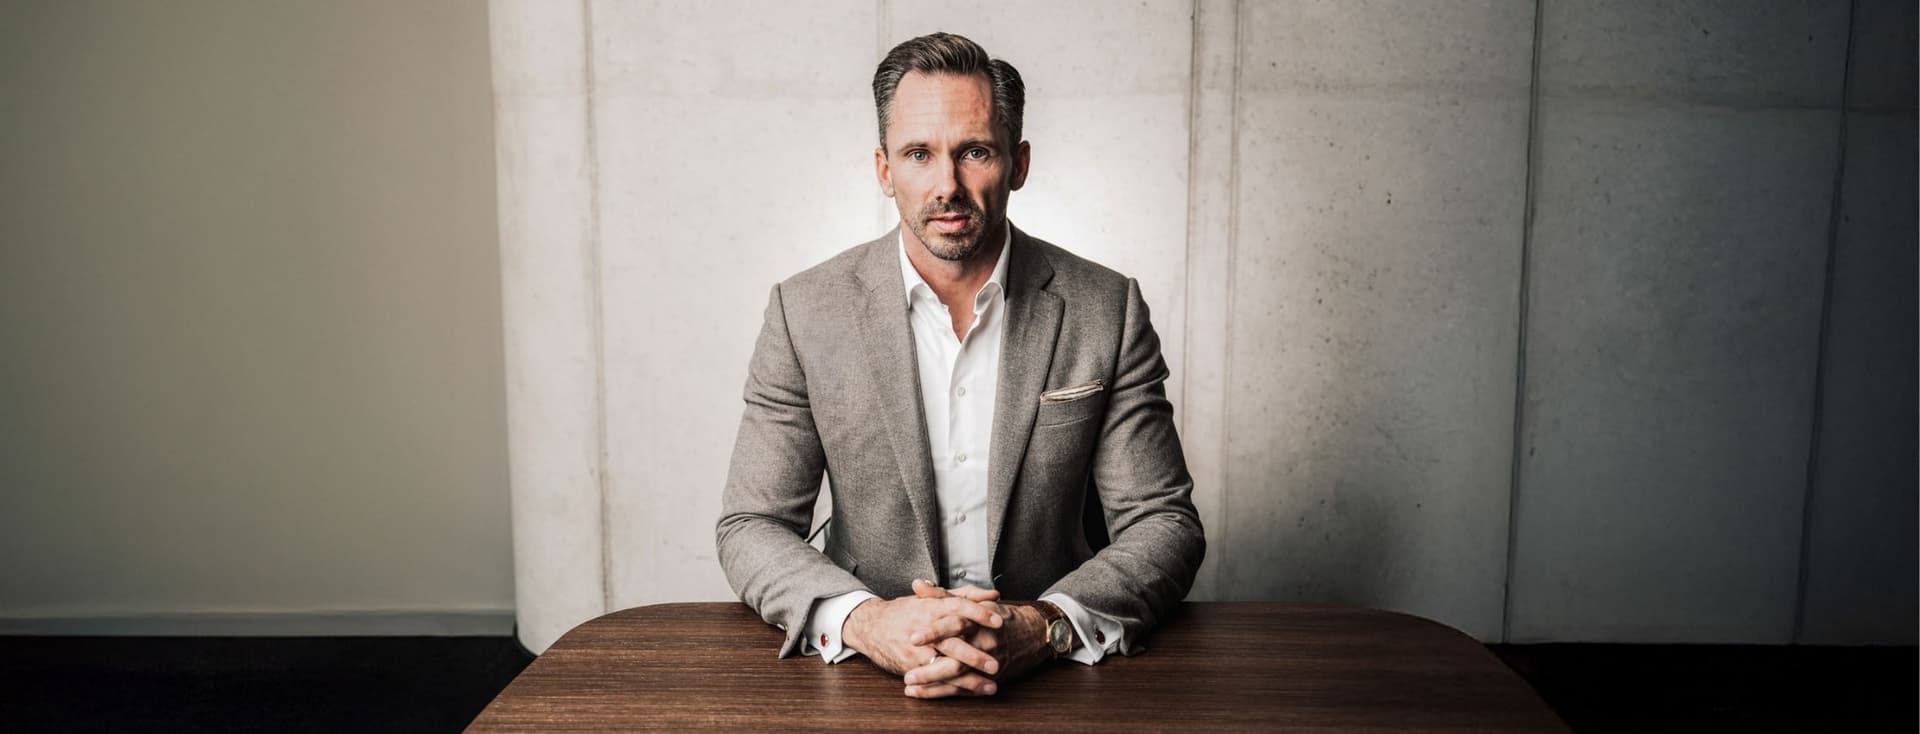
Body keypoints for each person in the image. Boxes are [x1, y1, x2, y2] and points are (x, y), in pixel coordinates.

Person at [715, 31, 1204, 699]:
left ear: (1018, 163)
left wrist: (1047, 625)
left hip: (1053, 674)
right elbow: (752, 524)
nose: (947, 186)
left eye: (974, 151)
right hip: (863, 675)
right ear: (884, 169)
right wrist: (865, 621)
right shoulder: (804, 313)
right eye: (919, 154)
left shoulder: (1105, 308)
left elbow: (1162, 521)